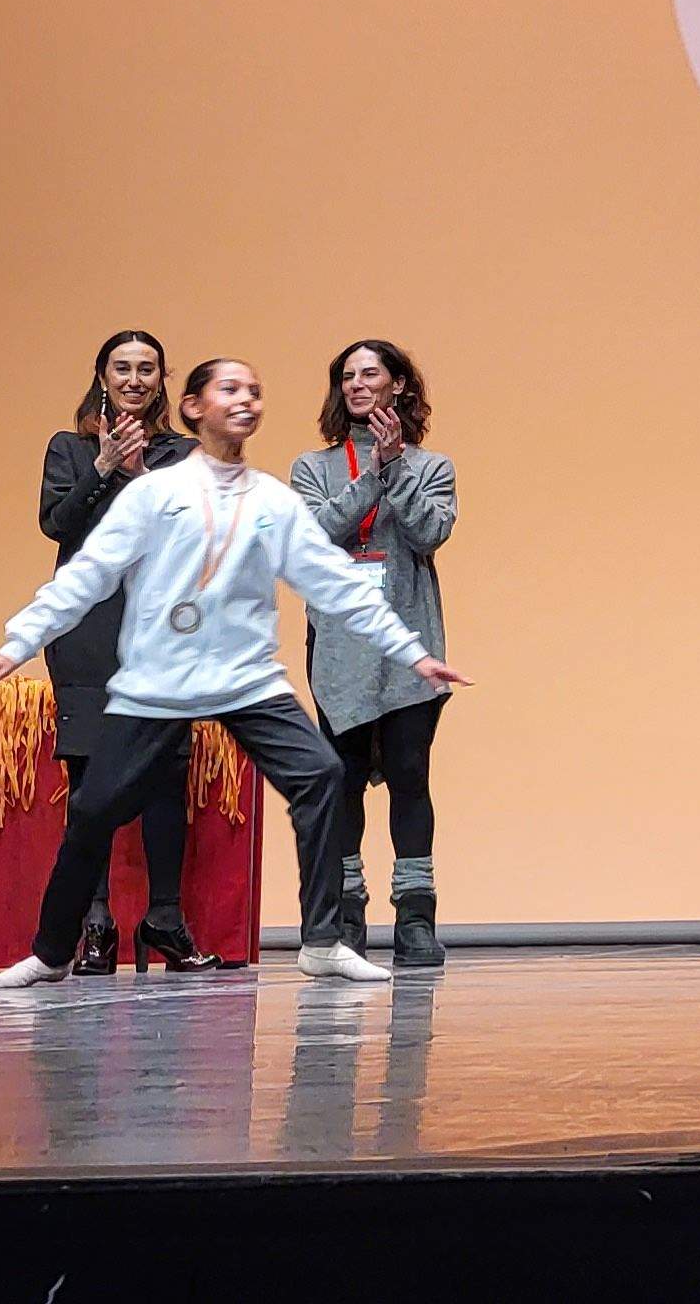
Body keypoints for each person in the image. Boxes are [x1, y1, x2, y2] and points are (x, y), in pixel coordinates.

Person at [0, 359, 470, 990]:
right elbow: (87, 574)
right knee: (94, 812)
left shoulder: (272, 502)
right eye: (230, 390)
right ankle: (51, 951)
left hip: (246, 679)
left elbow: (337, 585)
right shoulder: (154, 494)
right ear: (195, 407)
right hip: (158, 682)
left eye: (255, 391)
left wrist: (410, 650)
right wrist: (18, 643)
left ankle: (321, 940)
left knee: (322, 776)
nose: (247, 400)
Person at [32, 329, 212, 972]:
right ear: (102, 375)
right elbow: (57, 524)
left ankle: (164, 917)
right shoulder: (72, 448)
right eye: (121, 368)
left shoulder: (184, 453)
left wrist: (141, 477)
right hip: (87, 629)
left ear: (162, 380)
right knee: (91, 778)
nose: (133, 379)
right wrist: (105, 467)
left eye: (146, 369)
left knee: (166, 773)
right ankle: (97, 920)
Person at [289, 339, 460, 968]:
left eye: (371, 374)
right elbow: (314, 534)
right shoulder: (314, 466)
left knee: (411, 777)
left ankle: (416, 919)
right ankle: (347, 917)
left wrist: (400, 470)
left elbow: (429, 532)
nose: (358, 384)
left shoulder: (433, 465)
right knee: (344, 783)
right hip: (339, 646)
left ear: (399, 388)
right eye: (348, 376)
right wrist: (374, 475)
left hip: (410, 645)